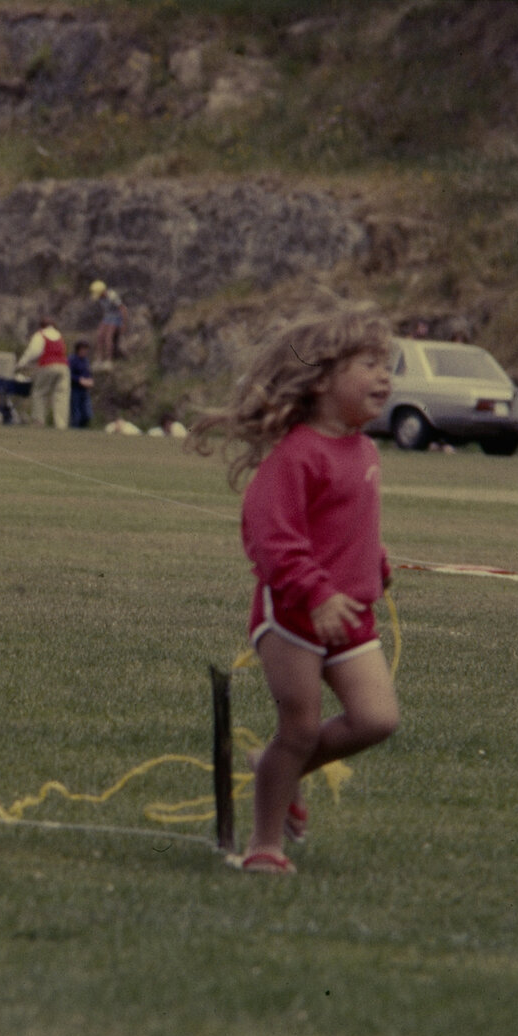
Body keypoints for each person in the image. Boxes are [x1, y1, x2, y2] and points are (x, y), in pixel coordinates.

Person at [187, 309, 400, 874]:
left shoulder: (365, 450)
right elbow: (270, 540)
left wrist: (374, 562)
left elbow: (348, 525)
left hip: (352, 616)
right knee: (301, 730)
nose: (385, 376)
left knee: (376, 719)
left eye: (388, 365)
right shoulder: (296, 454)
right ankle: (264, 845)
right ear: (322, 379)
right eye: (370, 364)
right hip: (293, 616)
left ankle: (273, 766)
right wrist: (317, 593)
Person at [19, 314, 71, 429]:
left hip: (48, 365)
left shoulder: (40, 335)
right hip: (63, 367)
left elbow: (33, 351)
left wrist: (21, 363)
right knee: (61, 396)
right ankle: (61, 425)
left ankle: (38, 421)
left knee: (39, 392)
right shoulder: (59, 335)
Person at [90, 280, 125, 364]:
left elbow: (123, 309)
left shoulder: (112, 297)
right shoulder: (100, 298)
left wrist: (123, 323)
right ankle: (100, 358)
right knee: (99, 336)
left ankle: (109, 359)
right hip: (107, 317)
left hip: (116, 317)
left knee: (108, 337)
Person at [68, 339, 94, 429]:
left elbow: (88, 373)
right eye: (82, 349)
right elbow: (69, 374)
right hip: (75, 390)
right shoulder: (72, 359)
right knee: (76, 415)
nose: (84, 351)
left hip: (84, 390)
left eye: (86, 349)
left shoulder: (85, 361)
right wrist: (79, 380)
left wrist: (90, 380)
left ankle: (83, 430)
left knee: (87, 414)